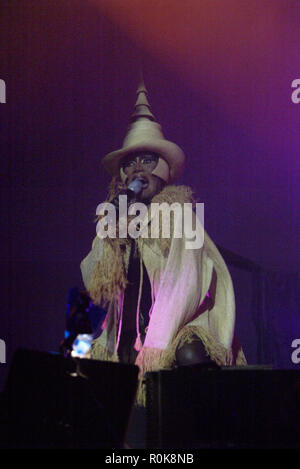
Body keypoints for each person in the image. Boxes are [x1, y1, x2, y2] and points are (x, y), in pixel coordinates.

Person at [80, 80, 246, 405]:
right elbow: (94, 280)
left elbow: (183, 286)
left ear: (163, 171)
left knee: (187, 356)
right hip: (126, 332)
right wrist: (110, 228)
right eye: (129, 164)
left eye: (146, 160)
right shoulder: (118, 219)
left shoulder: (179, 215)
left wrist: (154, 350)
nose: (136, 170)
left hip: (177, 325)